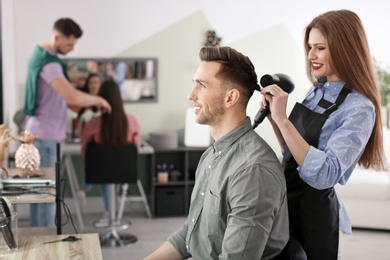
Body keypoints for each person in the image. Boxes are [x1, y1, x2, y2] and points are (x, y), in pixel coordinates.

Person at [260, 10, 387, 260]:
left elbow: (324, 174)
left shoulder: (360, 108)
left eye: (320, 47)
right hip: (285, 204)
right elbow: (292, 154)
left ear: (345, 48)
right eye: (309, 47)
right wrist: (274, 117)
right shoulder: (316, 91)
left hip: (313, 217)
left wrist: (285, 120)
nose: (310, 56)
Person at [145, 46, 289, 260]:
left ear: (230, 98)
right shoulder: (212, 154)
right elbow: (191, 233)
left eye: (201, 85)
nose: (190, 95)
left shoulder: (253, 171)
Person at [23, 17, 111, 227]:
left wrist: (86, 103)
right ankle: (45, 249)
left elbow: (65, 102)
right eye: (69, 44)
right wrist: (98, 99)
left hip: (43, 135)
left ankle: (41, 244)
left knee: (42, 195)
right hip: (44, 137)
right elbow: (71, 97)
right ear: (56, 37)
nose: (71, 49)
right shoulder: (49, 63)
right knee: (46, 196)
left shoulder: (42, 58)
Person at [81, 80, 141, 216]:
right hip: (125, 171)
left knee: (103, 168)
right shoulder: (131, 121)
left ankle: (106, 209)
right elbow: (136, 148)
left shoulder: (92, 124)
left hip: (100, 172)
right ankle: (112, 215)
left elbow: (85, 152)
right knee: (109, 169)